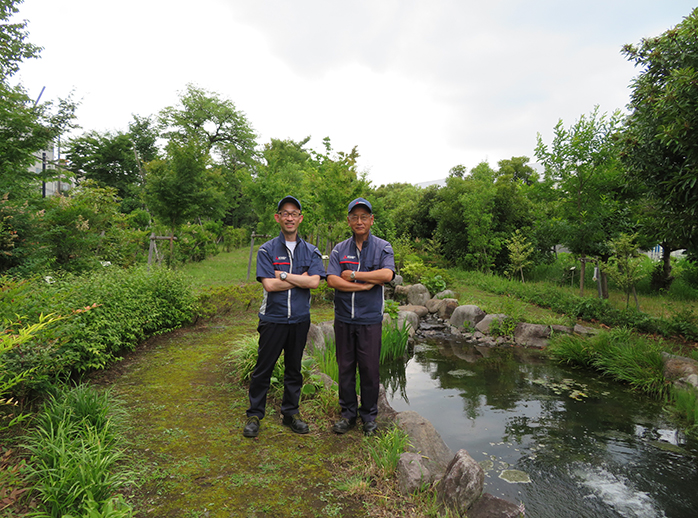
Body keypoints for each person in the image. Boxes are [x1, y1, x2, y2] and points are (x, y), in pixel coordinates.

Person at [243, 195, 326, 438]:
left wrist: (283, 275)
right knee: (263, 368)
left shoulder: (311, 250)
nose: (290, 217)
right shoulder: (266, 250)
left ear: (300, 218)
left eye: (294, 213)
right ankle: (254, 415)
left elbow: (315, 282)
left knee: (294, 369)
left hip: (299, 320)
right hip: (273, 318)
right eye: (285, 213)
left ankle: (290, 413)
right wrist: (300, 279)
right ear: (278, 218)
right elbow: (269, 285)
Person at [326, 197, 395, 436]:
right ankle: (347, 415)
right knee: (345, 368)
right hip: (344, 318)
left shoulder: (383, 247)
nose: (359, 221)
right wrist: (365, 285)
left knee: (369, 369)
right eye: (354, 217)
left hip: (369, 319)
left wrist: (355, 276)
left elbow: (387, 275)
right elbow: (332, 279)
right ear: (348, 221)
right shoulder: (339, 249)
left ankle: (369, 417)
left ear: (371, 220)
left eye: (364, 217)